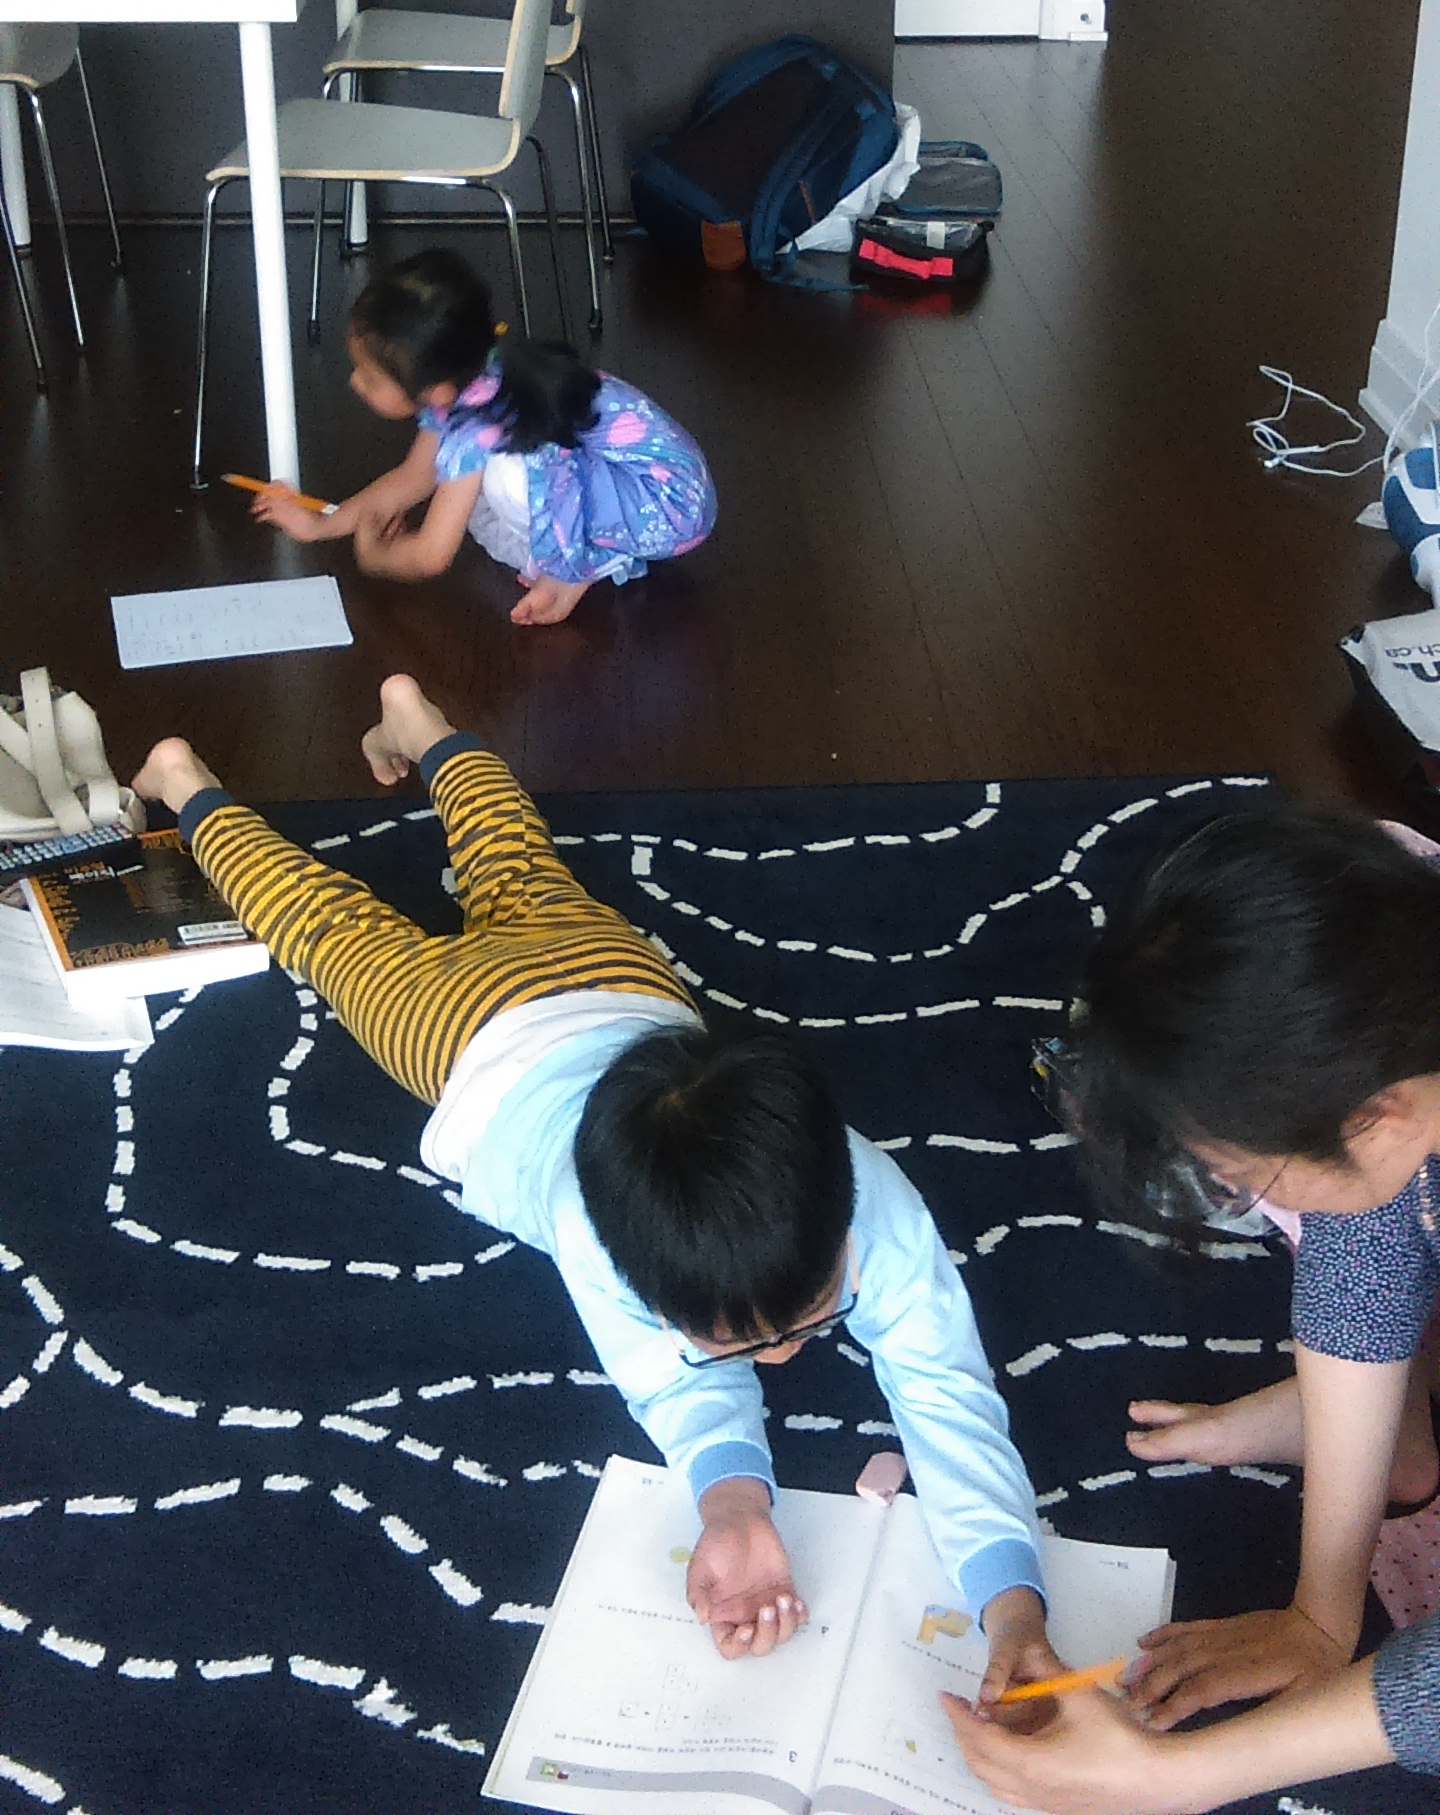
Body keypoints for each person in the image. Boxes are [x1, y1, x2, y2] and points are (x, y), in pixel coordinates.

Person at [133, 674, 1055, 1687]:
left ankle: (406, 728)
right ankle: (192, 783)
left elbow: (945, 1389)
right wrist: (731, 1495)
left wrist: (1012, 1608)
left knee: (495, 862)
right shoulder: (599, 1234)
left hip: (619, 983)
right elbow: (674, 1379)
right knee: (339, 926)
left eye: (810, 1315)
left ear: (842, 1206)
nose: (787, 1358)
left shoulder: (872, 1199)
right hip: (465, 1034)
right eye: (746, 1341)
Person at [943, 803, 1440, 1812]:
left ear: (1375, 1116)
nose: (1237, 1198)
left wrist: (1182, 1775)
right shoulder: (1390, 1014)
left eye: (1244, 1177)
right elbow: (1367, 1238)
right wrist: (1320, 1615)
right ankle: (1401, 1425)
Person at [252, 249, 716, 625]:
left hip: (667, 505)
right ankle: (572, 557)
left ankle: (582, 564)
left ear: (435, 390)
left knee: (500, 476)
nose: (355, 383)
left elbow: (432, 555)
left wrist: (375, 559)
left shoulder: (478, 423)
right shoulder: (471, 372)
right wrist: (321, 526)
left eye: (370, 378)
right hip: (641, 482)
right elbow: (413, 477)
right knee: (468, 490)